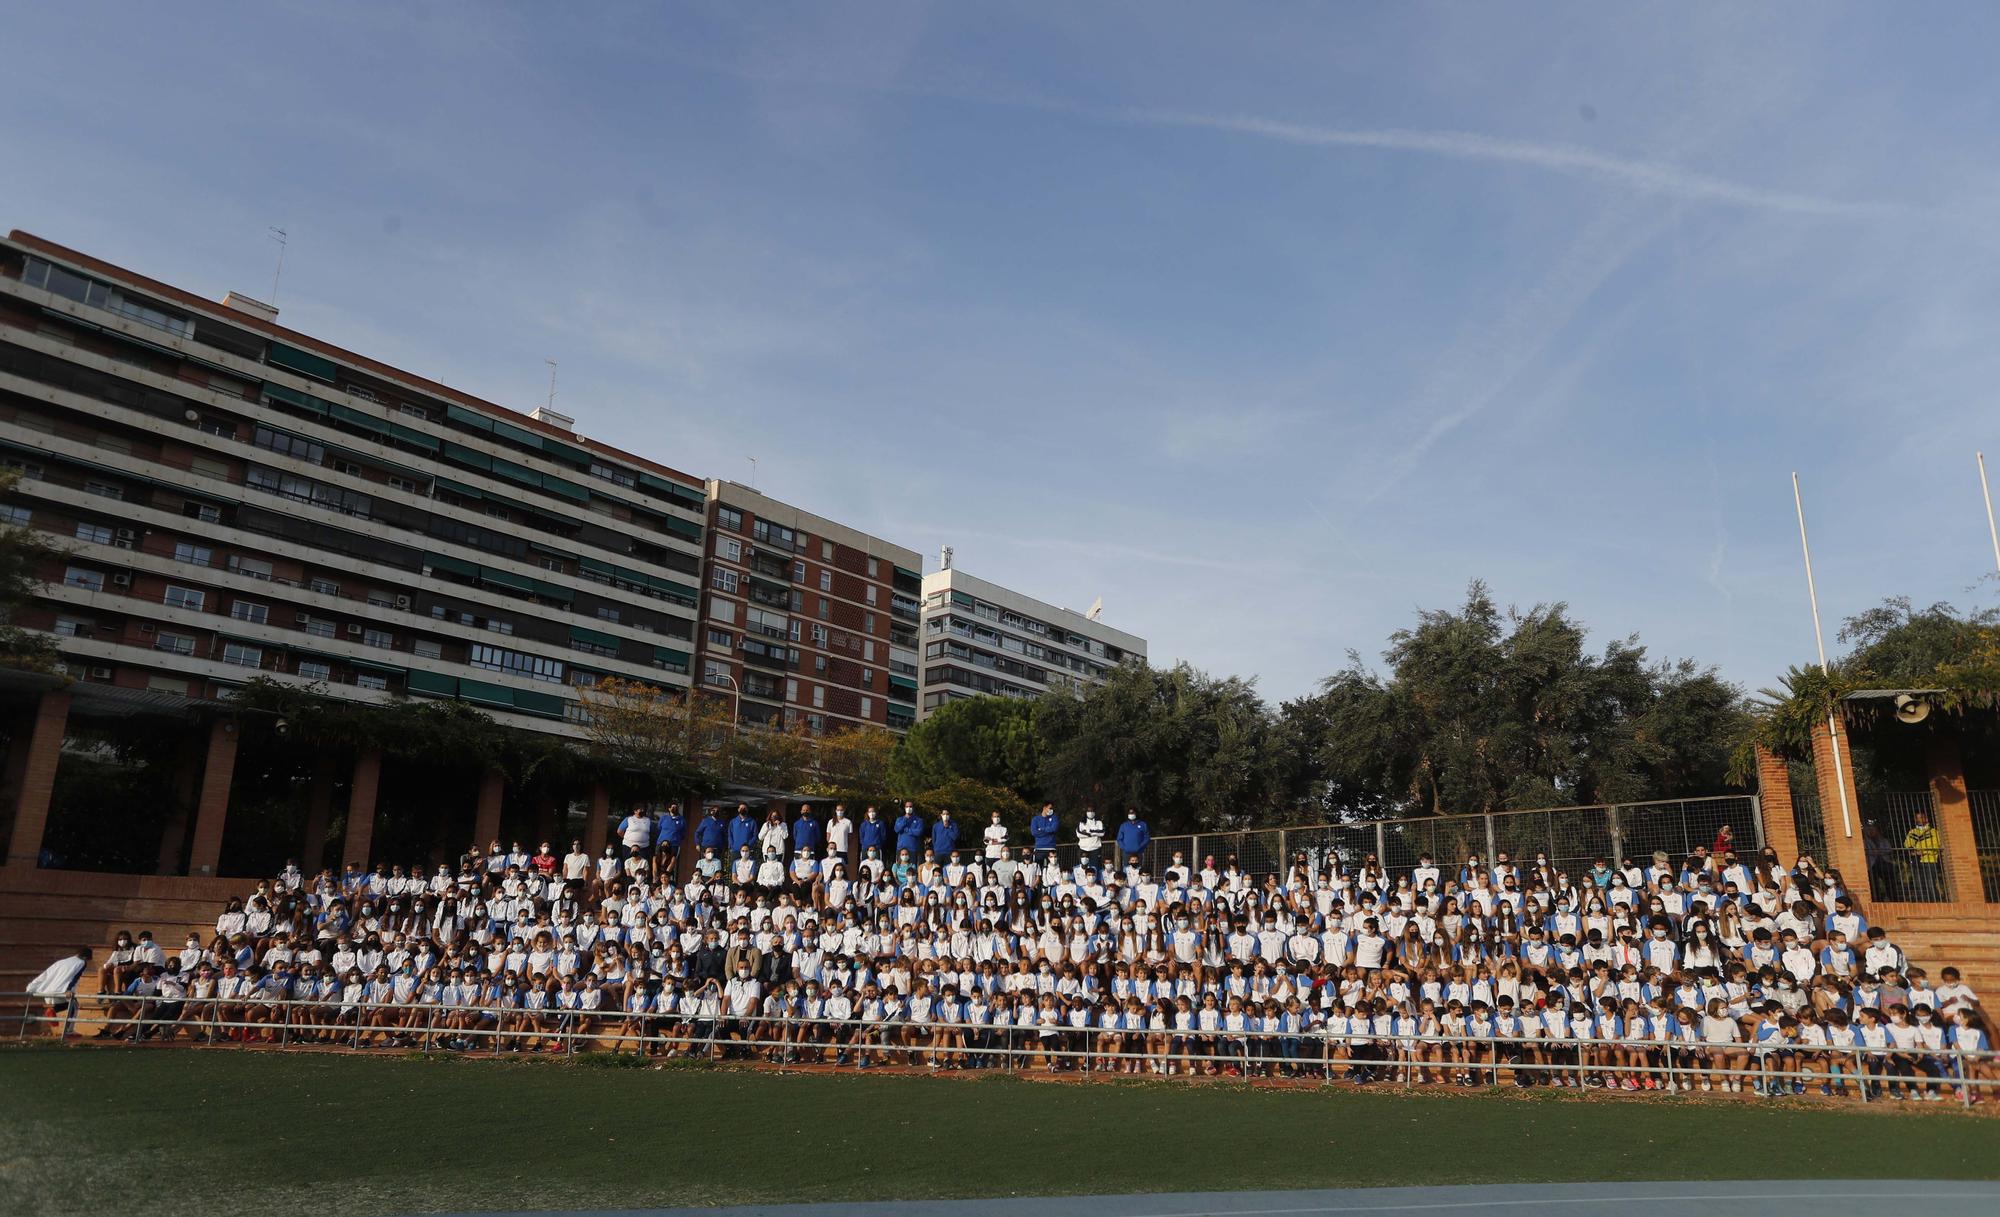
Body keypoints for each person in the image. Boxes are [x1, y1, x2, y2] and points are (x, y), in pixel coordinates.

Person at [26, 947, 91, 1038]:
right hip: (62, 990)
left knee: (69, 1005)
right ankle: (69, 1031)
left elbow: (46, 974)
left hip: (48, 991)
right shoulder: (81, 962)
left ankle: (53, 1009)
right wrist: (68, 989)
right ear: (85, 957)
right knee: (74, 1005)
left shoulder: (61, 962)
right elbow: (74, 977)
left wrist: (32, 987)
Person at [1902, 810, 1942, 901]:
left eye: (1921, 817)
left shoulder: (1933, 832)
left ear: (1926, 819)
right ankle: (1924, 904)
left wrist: (1923, 851)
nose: (1919, 820)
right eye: (1917, 818)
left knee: (1930, 883)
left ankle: (1937, 903)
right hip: (1917, 861)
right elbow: (1907, 844)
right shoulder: (1912, 832)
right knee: (1919, 884)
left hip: (1930, 861)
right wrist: (1913, 850)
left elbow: (1936, 845)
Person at [1077, 807, 1106, 873]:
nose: (1090, 812)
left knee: (1095, 868)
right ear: (1086, 812)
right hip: (1083, 848)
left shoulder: (1099, 822)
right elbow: (1079, 834)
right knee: (1083, 868)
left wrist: (1088, 832)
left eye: (1092, 810)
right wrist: (1094, 833)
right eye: (1089, 811)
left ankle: (1095, 882)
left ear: (1095, 812)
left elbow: (1102, 833)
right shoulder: (1081, 823)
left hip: (1095, 849)